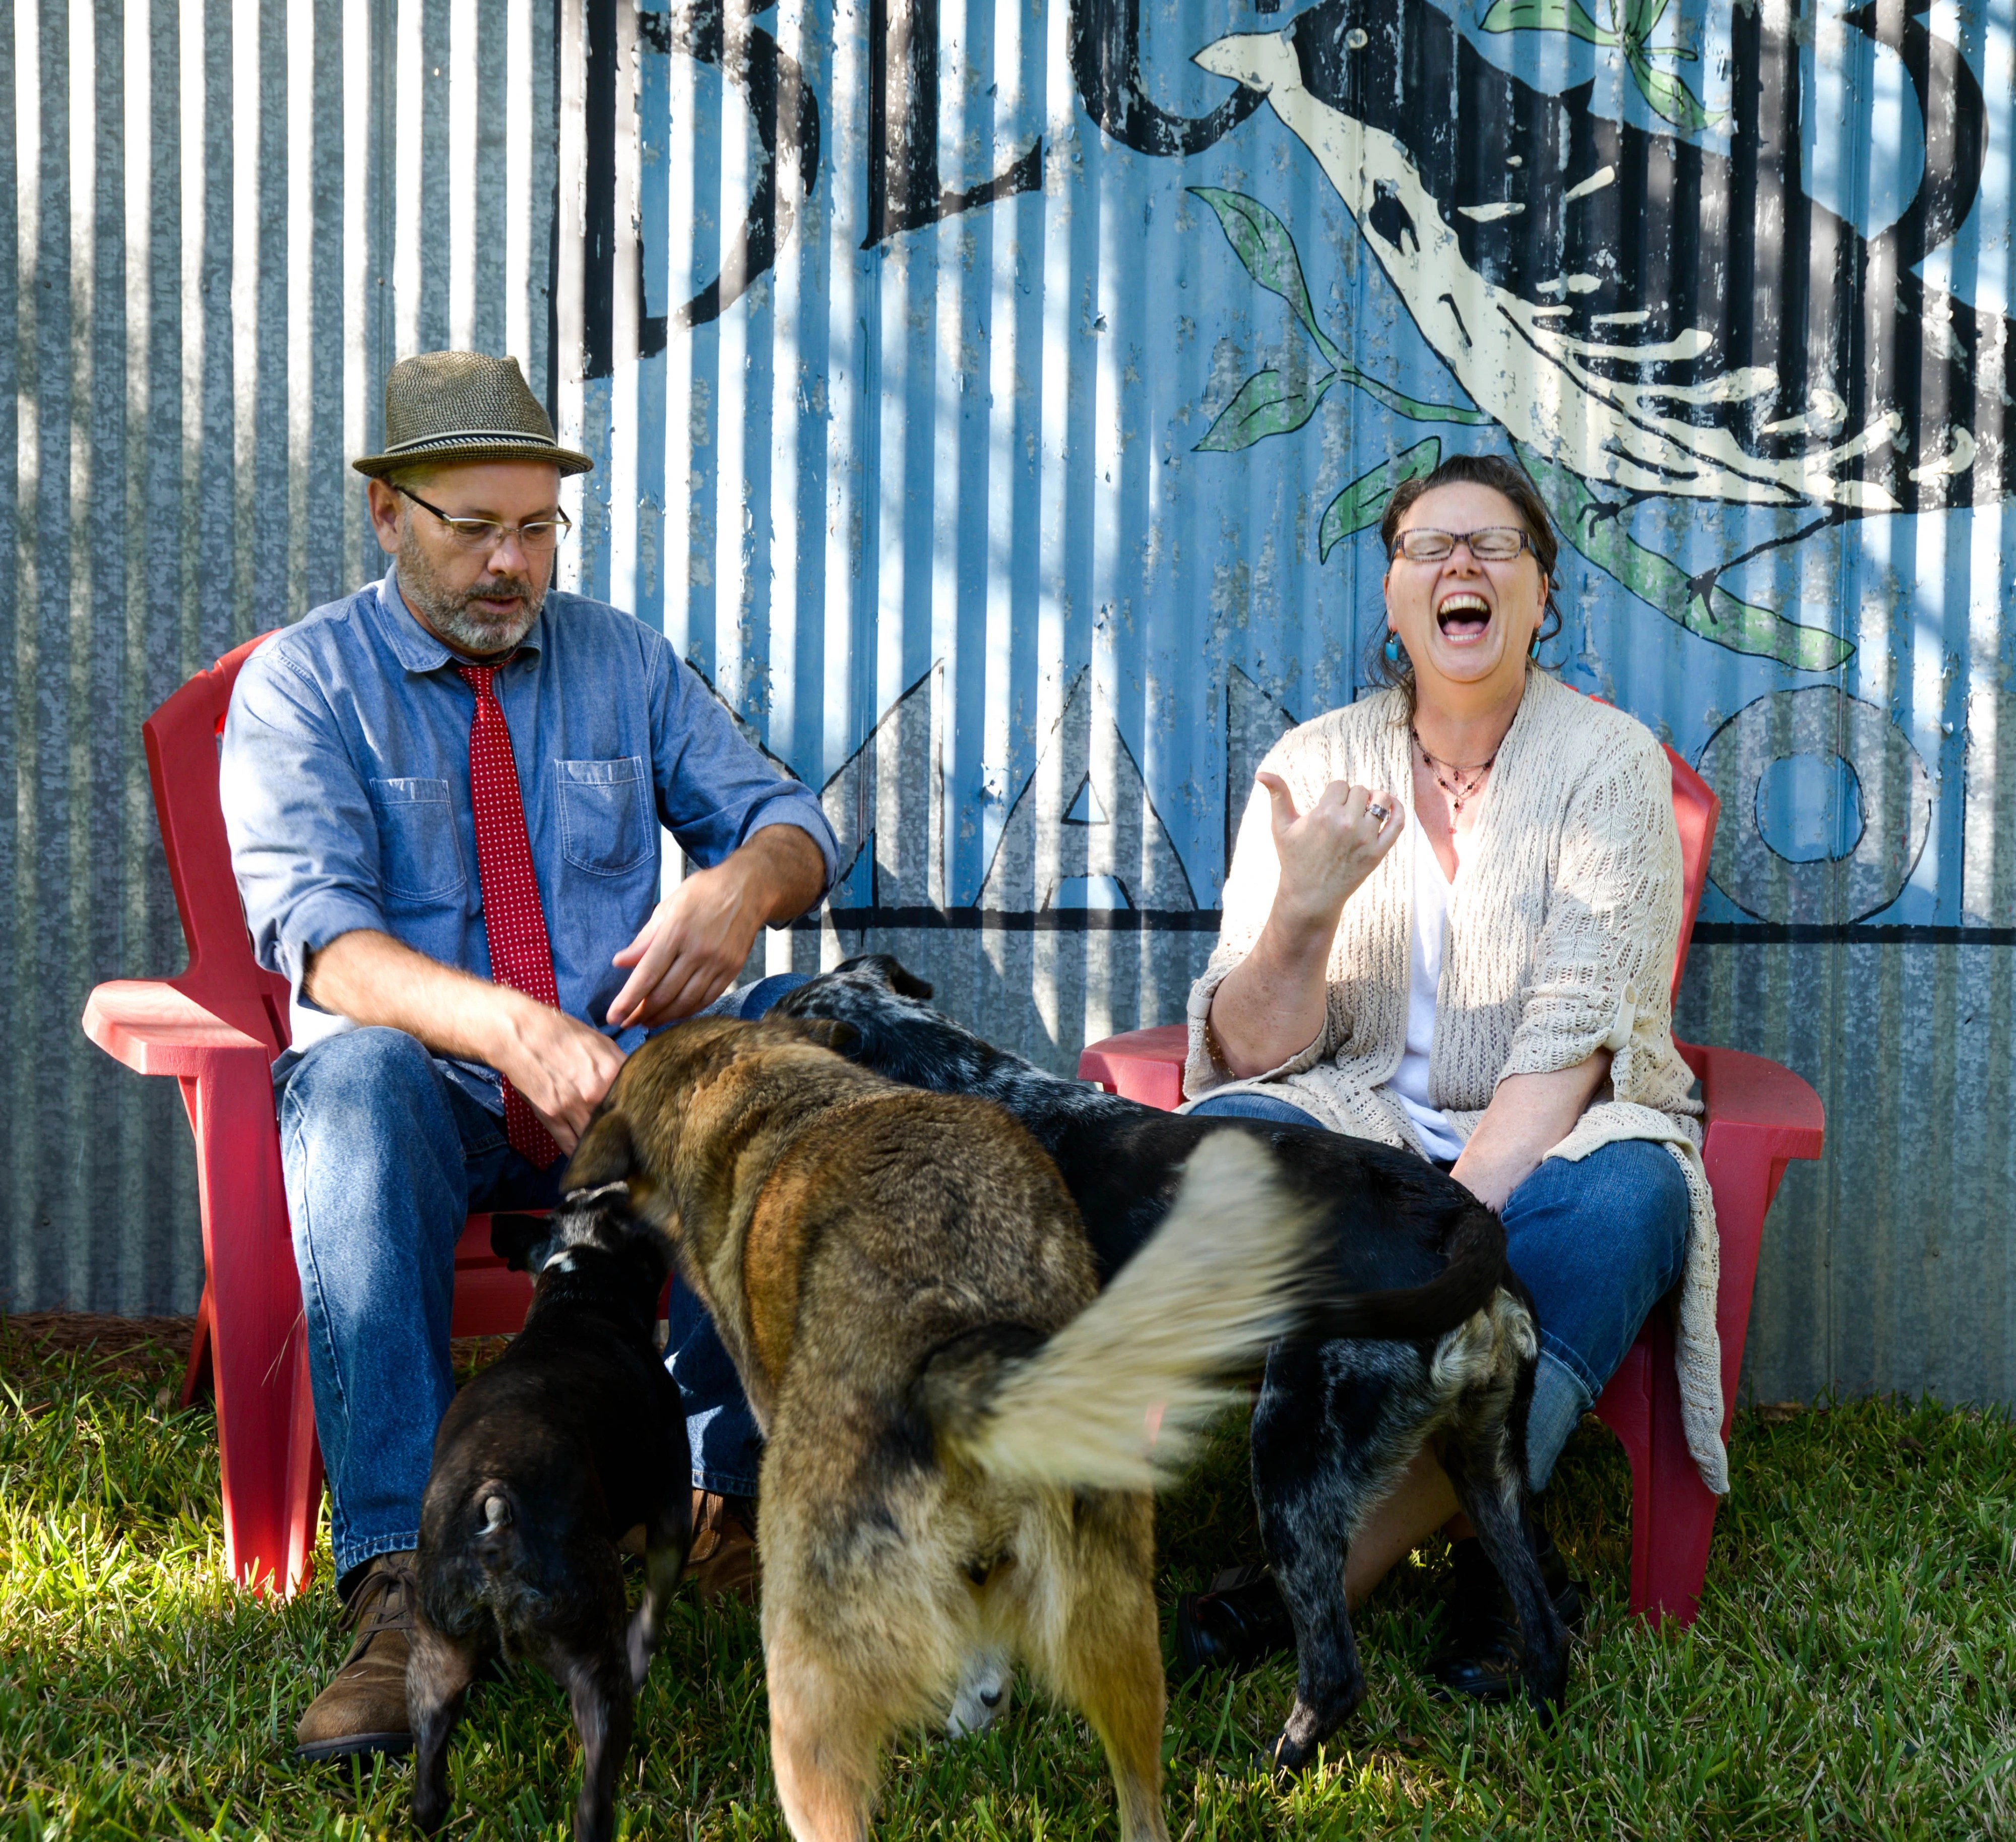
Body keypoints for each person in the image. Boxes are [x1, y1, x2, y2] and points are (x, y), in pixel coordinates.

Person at [220, 351, 839, 1760]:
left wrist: (743, 884)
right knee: (356, 1078)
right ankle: (404, 1576)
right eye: (474, 528)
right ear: (388, 513)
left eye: (537, 529)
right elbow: (319, 941)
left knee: (773, 1053)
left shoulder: (624, 660)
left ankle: (725, 1503)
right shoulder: (305, 684)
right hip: (432, 1094)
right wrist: (508, 1025)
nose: (511, 564)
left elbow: (791, 819)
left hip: (611, 1093)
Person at [1174, 452, 1718, 1697]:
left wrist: (1443, 1233)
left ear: (1540, 593)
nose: (1458, 565)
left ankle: (1330, 1570)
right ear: (1391, 593)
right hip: (1348, 1120)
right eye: (1428, 546)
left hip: (1545, 1138)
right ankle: (1501, 1556)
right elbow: (1247, 1052)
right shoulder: (1313, 764)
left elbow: (1575, 1036)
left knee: (1631, 1199)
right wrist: (1302, 911)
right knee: (1229, 1140)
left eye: (1492, 546)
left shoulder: (1608, 763)